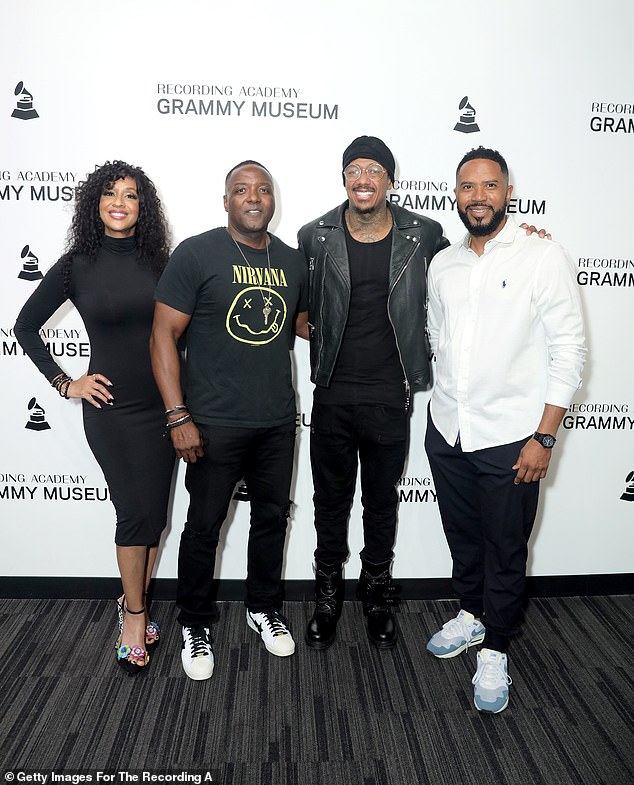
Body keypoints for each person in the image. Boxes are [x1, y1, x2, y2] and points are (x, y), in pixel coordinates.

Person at [424, 147, 586, 713]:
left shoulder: (542, 256)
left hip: (513, 439)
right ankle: (472, 614)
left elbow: (569, 351)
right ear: (457, 195)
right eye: (468, 188)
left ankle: (496, 647)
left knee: (506, 547)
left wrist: (544, 436)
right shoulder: (443, 263)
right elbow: (437, 340)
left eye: (489, 186)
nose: (478, 197)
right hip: (448, 430)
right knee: (463, 538)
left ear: (508, 193)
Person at [15, 161, 175, 675]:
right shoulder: (76, 265)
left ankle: (141, 601)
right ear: (95, 203)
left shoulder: (162, 261)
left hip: (163, 408)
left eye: (131, 195)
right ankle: (132, 616)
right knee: (133, 514)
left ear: (142, 206)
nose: (120, 202)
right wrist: (67, 384)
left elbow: (180, 335)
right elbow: (25, 326)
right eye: (111, 194)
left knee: (155, 518)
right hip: (111, 411)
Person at [150, 160, 308, 681]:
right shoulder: (197, 253)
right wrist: (178, 416)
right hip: (212, 422)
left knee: (271, 520)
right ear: (226, 201)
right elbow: (162, 338)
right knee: (203, 527)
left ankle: (263, 608)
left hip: (277, 422)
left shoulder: (291, 260)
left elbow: (307, 324)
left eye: (263, 189)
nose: (254, 197)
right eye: (242, 189)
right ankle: (196, 621)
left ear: (274, 200)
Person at [297, 136, 449, 650]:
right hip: (333, 395)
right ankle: (326, 594)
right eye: (354, 169)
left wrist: (520, 237)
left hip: (390, 395)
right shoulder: (314, 236)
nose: (363, 178)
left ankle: (377, 592)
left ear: (390, 179)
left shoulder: (424, 235)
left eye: (374, 170)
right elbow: (294, 306)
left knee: (381, 503)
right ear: (344, 179)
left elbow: (471, 273)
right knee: (329, 503)